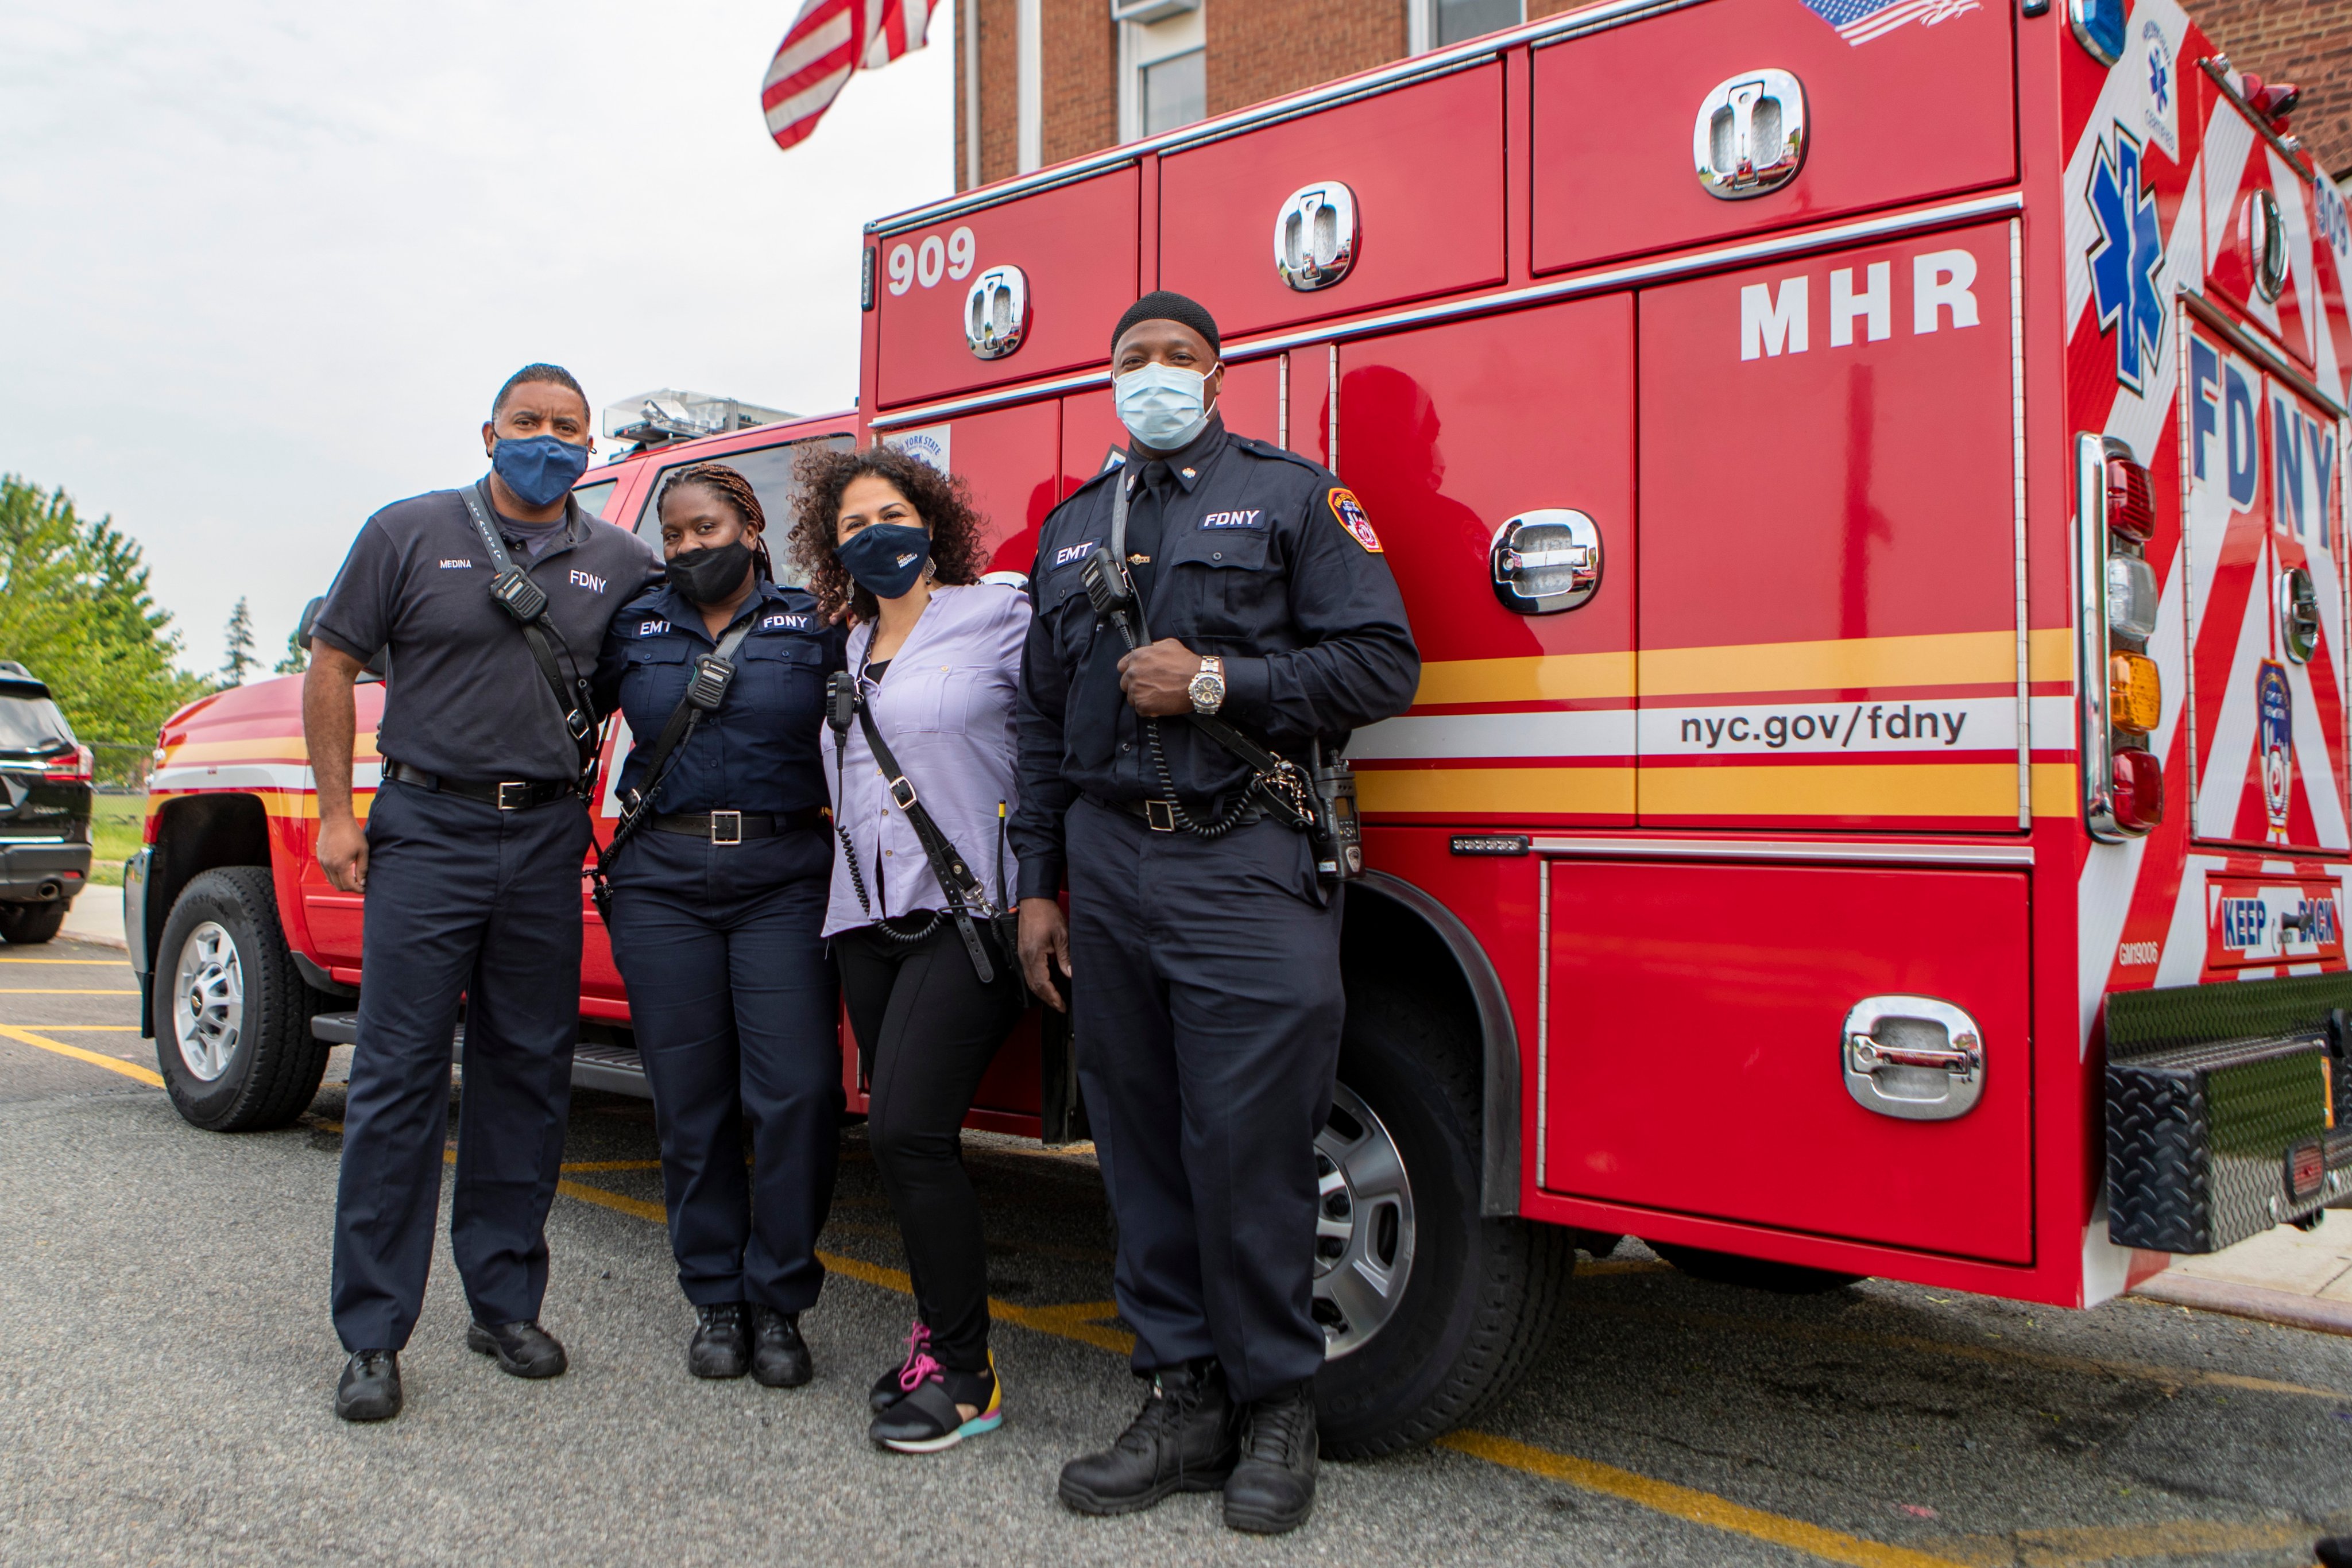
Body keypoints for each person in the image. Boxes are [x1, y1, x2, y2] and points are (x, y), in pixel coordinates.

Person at [1012, 292, 1421, 1533]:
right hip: (1107, 864)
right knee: (1134, 1144)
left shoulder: (1296, 497)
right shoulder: (1073, 526)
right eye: (1131, 358)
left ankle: (1277, 1406)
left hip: (1242, 859)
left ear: (1218, 374)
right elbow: (1035, 715)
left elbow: (1381, 663)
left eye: (1175, 359)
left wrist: (1213, 680)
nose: (1153, 377)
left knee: (1249, 1146)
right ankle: (1179, 1398)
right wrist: (1038, 882)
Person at [307, 363, 660, 1423]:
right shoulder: (407, 532)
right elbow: (331, 665)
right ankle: (372, 1334)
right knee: (398, 1081)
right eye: (528, 423)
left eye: (568, 427)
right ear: (490, 432)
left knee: (526, 1076)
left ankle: (504, 1305)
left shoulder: (623, 562)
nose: (548, 440)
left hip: (546, 836)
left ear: (590, 446)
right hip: (427, 830)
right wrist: (336, 813)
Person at [792, 444, 1031, 1453]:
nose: (874, 534)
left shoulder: (1001, 617)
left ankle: (969, 1375)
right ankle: (939, 1339)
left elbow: (1061, 728)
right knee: (898, 1138)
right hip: (865, 923)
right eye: (852, 525)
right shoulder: (839, 651)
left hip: (968, 917)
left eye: (890, 513)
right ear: (831, 546)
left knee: (907, 1137)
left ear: (930, 522)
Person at [589, 462, 845, 1390]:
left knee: (799, 1095)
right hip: (661, 879)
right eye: (677, 534)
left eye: (708, 527)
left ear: (749, 522)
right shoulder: (636, 624)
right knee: (690, 1103)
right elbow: (563, 714)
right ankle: (718, 1302)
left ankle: (781, 1300)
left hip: (783, 876)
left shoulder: (813, 622)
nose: (692, 546)